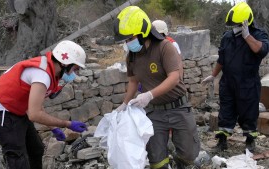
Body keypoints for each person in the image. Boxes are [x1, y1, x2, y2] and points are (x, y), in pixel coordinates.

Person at [114, 6, 200, 169]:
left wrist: (149, 95)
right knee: (157, 160)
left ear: (143, 32)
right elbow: (133, 82)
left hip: (179, 107)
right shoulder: (131, 57)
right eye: (125, 40)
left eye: (129, 38)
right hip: (154, 112)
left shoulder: (164, 47)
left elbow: (174, 77)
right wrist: (124, 104)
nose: (127, 43)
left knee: (189, 154)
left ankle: (179, 160)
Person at [0, 40, 88, 169]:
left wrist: (53, 128)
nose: (74, 73)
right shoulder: (42, 75)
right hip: (1, 114)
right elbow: (34, 114)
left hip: (17, 110)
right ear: (64, 62)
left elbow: (35, 105)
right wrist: (68, 124)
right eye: (75, 68)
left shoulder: (49, 70)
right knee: (18, 159)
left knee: (36, 149)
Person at [202, 2, 269, 152]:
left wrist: (247, 36)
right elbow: (221, 59)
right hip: (228, 83)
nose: (235, 27)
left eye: (237, 24)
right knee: (225, 113)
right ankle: (222, 142)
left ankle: (250, 142)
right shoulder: (227, 37)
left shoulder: (259, 34)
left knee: (249, 114)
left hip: (248, 83)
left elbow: (261, 50)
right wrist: (213, 75)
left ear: (246, 22)